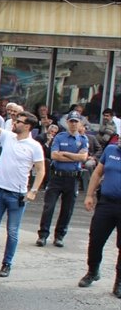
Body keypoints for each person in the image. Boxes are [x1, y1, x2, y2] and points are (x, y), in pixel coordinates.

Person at [0, 93, 45, 278]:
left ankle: (7, 263)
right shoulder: (8, 137)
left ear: (27, 126)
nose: (14, 122)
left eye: (19, 120)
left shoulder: (34, 146)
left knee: (12, 232)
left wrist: (33, 191)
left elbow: (41, 170)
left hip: (17, 194)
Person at [37, 112, 89, 248]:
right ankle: (43, 235)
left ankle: (59, 236)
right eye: (71, 121)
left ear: (80, 123)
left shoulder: (83, 139)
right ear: (67, 122)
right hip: (57, 177)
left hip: (72, 178)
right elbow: (54, 155)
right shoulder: (60, 137)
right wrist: (73, 156)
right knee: (49, 206)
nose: (73, 124)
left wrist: (64, 153)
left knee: (67, 209)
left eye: (76, 121)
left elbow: (83, 158)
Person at [81, 136, 121, 296]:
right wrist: (89, 195)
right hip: (106, 203)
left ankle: (119, 282)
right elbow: (98, 173)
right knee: (96, 239)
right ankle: (92, 271)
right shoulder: (111, 150)